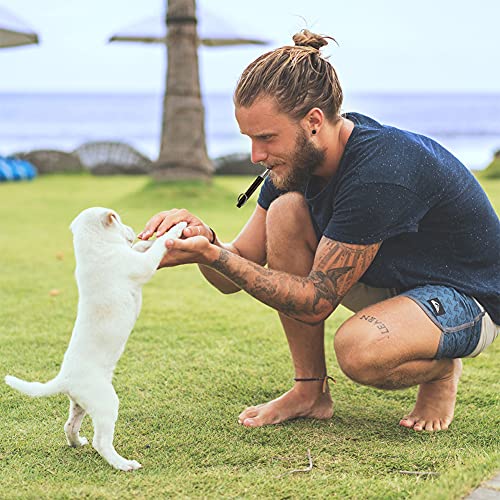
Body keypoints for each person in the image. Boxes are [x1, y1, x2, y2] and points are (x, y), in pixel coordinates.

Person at [139, 30, 500, 432]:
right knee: (286, 212)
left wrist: (215, 256)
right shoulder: (294, 162)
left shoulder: (379, 172)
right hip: (393, 282)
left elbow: (316, 302)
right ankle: (309, 391)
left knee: (360, 351)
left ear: (313, 121)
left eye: (266, 137)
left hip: (467, 298)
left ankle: (440, 371)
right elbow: (234, 270)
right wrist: (202, 240)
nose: (256, 155)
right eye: (250, 139)